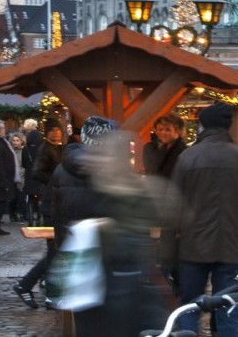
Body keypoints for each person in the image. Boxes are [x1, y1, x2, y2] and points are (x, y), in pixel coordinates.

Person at [163, 103, 238, 337]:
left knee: (189, 307)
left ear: (203, 125)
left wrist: (167, 254)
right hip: (231, 247)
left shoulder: (188, 157)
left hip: (193, 248)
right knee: (228, 309)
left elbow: (172, 208)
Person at [76, 130, 169, 337]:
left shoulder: (131, 190)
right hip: (108, 289)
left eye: (102, 156)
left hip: (119, 289)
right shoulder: (103, 188)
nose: (91, 160)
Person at [17, 117, 111, 309]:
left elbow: (52, 195)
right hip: (81, 225)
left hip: (63, 221)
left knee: (58, 256)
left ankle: (30, 287)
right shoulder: (100, 169)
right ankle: (46, 293)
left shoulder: (64, 164)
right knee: (58, 258)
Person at [142, 114, 187, 179]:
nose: (163, 132)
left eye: (168, 129)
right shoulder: (150, 148)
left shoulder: (182, 151)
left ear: (178, 131)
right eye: (160, 129)